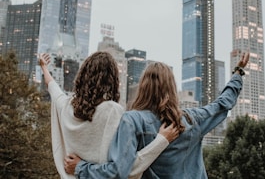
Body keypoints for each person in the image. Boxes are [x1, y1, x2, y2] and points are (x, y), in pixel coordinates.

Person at [64, 52, 250, 179]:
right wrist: (238, 73)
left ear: (143, 86)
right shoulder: (192, 119)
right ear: (171, 87)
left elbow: (118, 171)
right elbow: (223, 103)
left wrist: (81, 168)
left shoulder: (131, 121)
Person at [39, 52, 178, 179]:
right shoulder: (112, 111)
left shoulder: (66, 106)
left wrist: (44, 67)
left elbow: (52, 86)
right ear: (112, 80)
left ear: (82, 75)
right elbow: (125, 168)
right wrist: (161, 141)